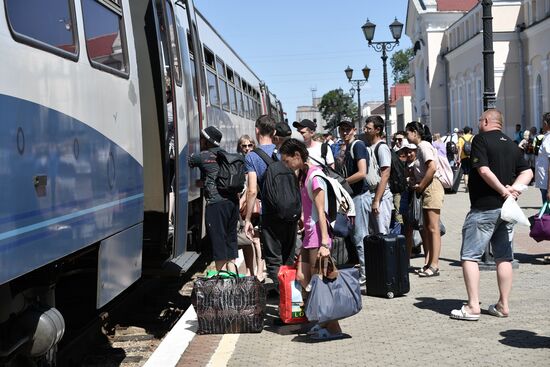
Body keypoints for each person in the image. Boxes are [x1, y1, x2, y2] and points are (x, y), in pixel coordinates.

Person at [450, 109, 532, 321]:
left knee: (469, 256)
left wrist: (504, 190)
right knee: (504, 256)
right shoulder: (512, 145)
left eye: (480, 120)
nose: (478, 124)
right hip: (506, 210)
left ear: (486, 121)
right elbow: (528, 171)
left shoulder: (481, 140)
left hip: (484, 208)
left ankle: (472, 306)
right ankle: (503, 305)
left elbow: (483, 170)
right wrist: (514, 189)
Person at [278, 138, 344, 340]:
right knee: (302, 278)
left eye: (287, 161)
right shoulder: (303, 175)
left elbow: (321, 212)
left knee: (321, 283)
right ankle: (317, 321)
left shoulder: (315, 177)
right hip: (309, 237)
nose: (286, 165)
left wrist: (325, 243)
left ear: (297, 156)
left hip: (318, 238)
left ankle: (333, 328)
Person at [244, 115, 298, 288]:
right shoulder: (284, 153)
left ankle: (284, 300)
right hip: (291, 212)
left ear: (257, 130)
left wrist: (247, 219)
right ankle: (291, 300)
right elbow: (296, 183)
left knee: (274, 260)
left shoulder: (252, 157)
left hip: (270, 214)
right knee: (288, 257)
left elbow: (252, 191)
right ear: (274, 132)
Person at [189, 126, 239, 271]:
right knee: (230, 241)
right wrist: (205, 182)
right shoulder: (226, 154)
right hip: (232, 203)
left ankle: (222, 282)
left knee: (218, 242)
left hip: (216, 205)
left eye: (201, 138)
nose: (200, 141)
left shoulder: (203, 156)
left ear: (206, 141)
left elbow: (187, 160)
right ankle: (232, 281)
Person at [405, 121, 444, 277]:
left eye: (408, 133)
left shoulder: (424, 146)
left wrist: (421, 185)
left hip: (432, 187)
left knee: (433, 228)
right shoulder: (423, 146)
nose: (407, 136)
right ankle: (429, 262)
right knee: (428, 227)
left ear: (414, 132)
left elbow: (432, 167)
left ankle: (434, 264)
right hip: (428, 186)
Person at [339, 119, 369, 284]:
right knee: (355, 236)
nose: (344, 132)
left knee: (360, 236)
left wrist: (342, 182)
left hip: (359, 196)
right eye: (342, 130)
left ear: (354, 130)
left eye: (347, 129)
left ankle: (365, 273)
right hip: (353, 196)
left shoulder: (357, 145)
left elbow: (362, 172)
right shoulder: (348, 147)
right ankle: (364, 271)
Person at [236, 135, 264, 281]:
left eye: (250, 145)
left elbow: (254, 187)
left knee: (256, 239)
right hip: (244, 205)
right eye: (244, 146)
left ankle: (259, 270)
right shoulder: (240, 162)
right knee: (248, 238)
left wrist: (242, 199)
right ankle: (250, 270)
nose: (247, 148)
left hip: (252, 204)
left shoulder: (254, 160)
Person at [363, 115, 393, 234]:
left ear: (378, 130)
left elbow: (385, 174)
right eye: (365, 128)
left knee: (382, 234)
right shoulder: (369, 146)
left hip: (382, 198)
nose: (365, 130)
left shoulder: (382, 148)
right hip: (371, 196)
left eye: (369, 128)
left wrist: (376, 200)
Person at [457, 126, 474, 192]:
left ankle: (466, 186)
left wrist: (458, 158)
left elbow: (460, 149)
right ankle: (471, 186)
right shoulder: (473, 137)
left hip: (464, 157)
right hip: (471, 157)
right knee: (471, 172)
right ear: (469, 131)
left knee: (465, 173)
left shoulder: (461, 138)